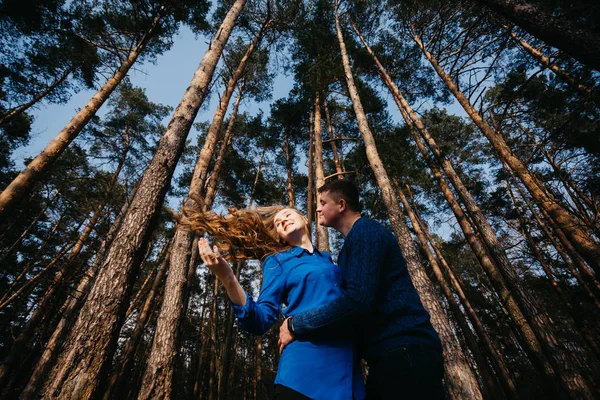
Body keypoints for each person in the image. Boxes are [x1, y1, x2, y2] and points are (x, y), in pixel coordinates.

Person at [278, 180, 445, 400]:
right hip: (389, 356)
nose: (317, 208)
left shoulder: (365, 231)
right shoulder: (351, 245)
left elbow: (358, 301)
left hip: (406, 352)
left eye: (322, 202)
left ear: (341, 205)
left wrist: (295, 324)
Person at [182, 205, 366, 400]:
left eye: (287, 215)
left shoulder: (328, 259)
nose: (283, 221)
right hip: (303, 377)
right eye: (278, 223)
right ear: (280, 236)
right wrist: (228, 278)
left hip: (348, 378)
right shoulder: (278, 261)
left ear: (304, 218)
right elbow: (260, 319)